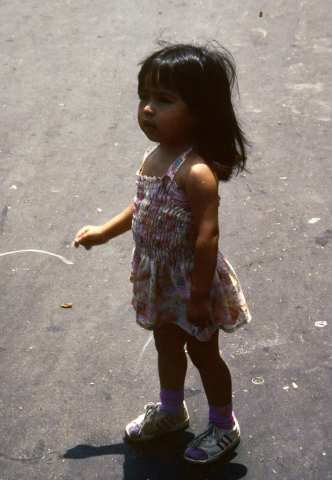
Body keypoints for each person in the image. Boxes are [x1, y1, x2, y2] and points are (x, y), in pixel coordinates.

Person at [74, 42, 251, 465]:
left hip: (192, 282)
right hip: (160, 279)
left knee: (204, 353)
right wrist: (104, 231)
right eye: (144, 98)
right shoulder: (156, 156)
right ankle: (172, 411)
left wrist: (198, 296)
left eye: (164, 100)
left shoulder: (197, 171)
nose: (148, 109)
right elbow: (144, 204)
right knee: (167, 346)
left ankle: (224, 425)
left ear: (199, 111)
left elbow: (207, 237)